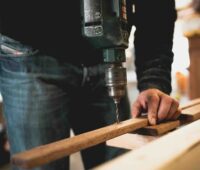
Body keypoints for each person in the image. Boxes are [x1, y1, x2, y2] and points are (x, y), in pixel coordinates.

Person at [0, 0, 180, 169]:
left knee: (123, 162)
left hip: (103, 52)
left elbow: (158, 9)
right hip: (28, 47)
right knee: (40, 164)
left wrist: (153, 80)